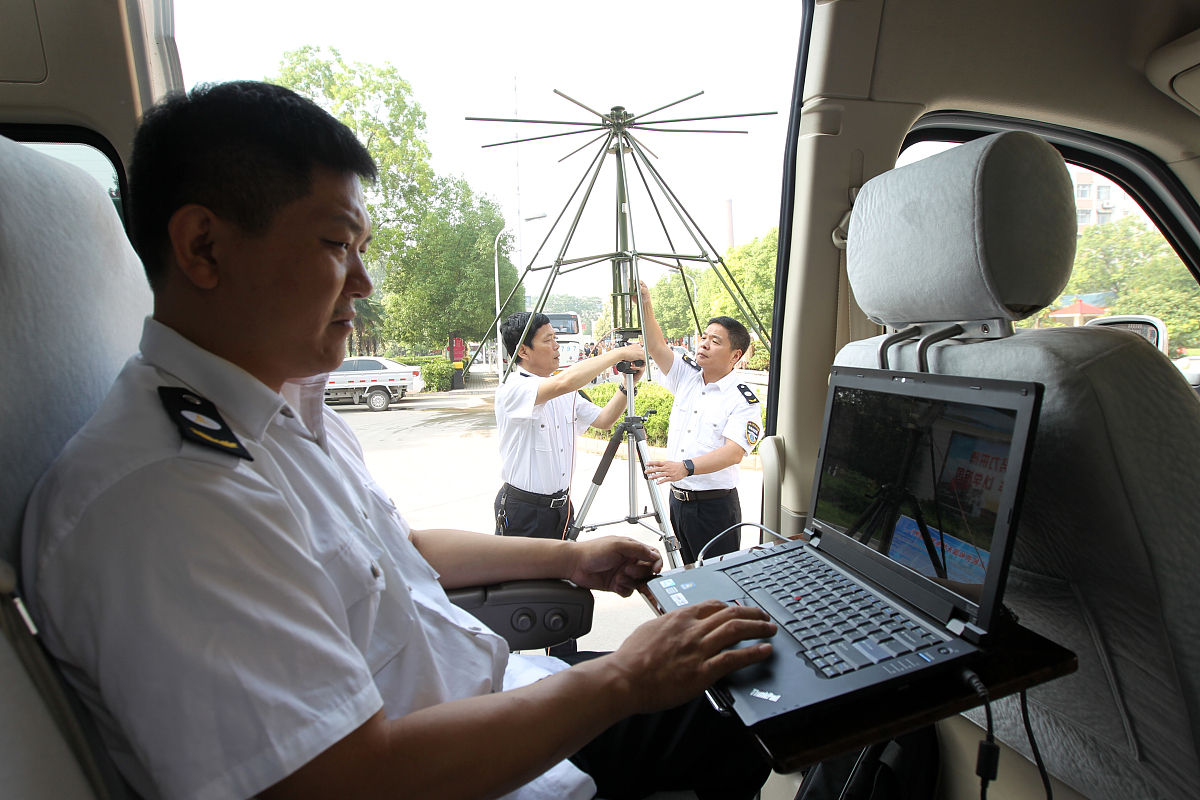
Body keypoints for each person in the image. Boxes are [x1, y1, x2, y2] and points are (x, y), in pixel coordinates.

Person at [20, 82, 775, 800]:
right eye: (336, 244)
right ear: (204, 247)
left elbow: (398, 551)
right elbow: (342, 782)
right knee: (750, 714)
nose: (365, 282)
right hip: (470, 765)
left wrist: (572, 557)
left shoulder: (284, 416)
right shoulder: (167, 499)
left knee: (748, 681)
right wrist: (621, 682)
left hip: (496, 694)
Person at [639, 280, 763, 565]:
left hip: (714, 508)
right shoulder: (687, 377)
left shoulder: (743, 400)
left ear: (736, 356)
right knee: (687, 576)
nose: (704, 344)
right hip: (678, 503)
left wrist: (685, 468)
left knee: (718, 585)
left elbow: (734, 452)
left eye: (715, 341)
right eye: (704, 337)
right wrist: (646, 301)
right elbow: (656, 345)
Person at [494, 311, 645, 543]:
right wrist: (619, 353)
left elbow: (604, 420)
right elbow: (565, 381)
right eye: (548, 340)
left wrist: (629, 383)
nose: (557, 346)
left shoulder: (566, 393)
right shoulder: (513, 389)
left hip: (562, 508)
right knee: (527, 578)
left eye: (556, 338)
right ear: (523, 351)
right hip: (524, 509)